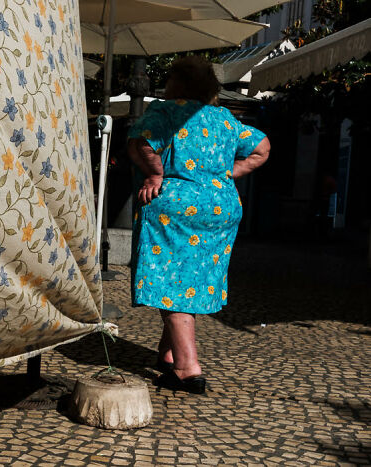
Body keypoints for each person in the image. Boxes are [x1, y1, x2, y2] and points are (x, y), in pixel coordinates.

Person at [127, 56, 270, 394]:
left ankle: (187, 368)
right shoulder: (224, 118)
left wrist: (155, 173)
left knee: (172, 284)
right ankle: (168, 354)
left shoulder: (166, 110)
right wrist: (222, 176)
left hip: (177, 208)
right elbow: (262, 148)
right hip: (221, 209)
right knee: (191, 279)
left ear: (176, 81)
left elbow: (142, 141)